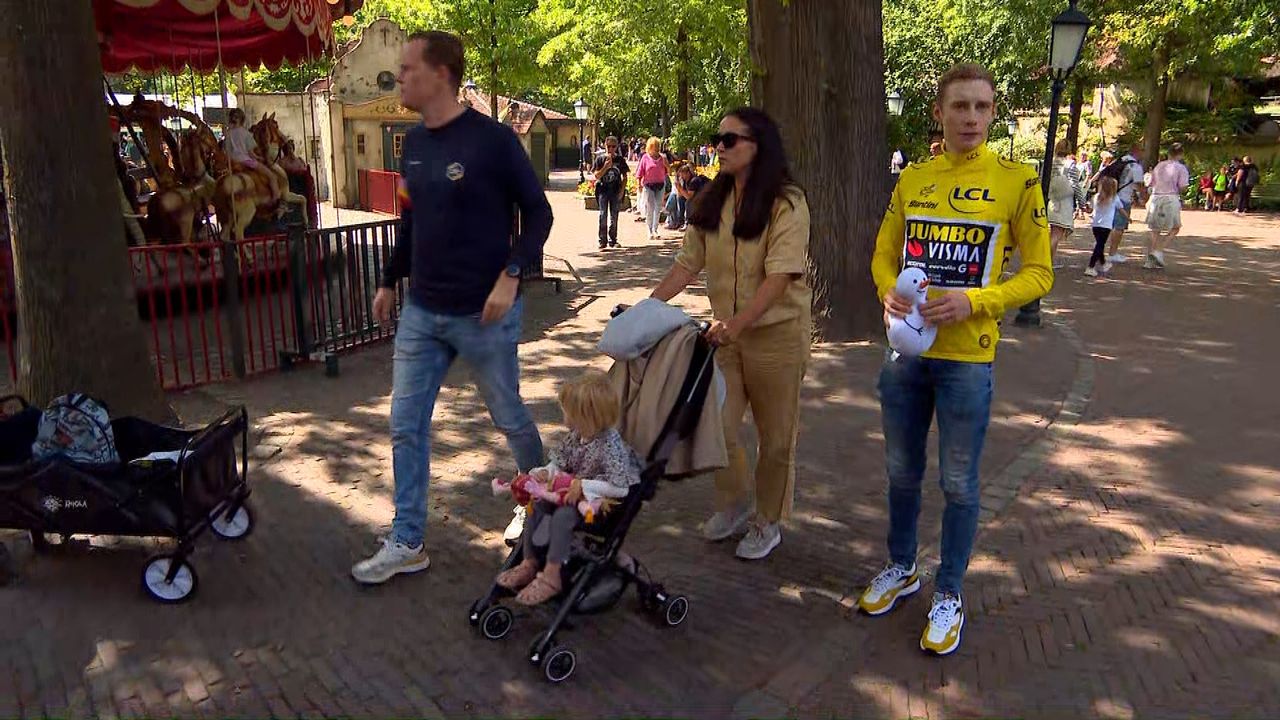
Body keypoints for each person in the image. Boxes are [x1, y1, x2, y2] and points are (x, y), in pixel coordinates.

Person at [858, 63, 1053, 656]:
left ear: (993, 115)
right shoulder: (913, 179)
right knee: (900, 473)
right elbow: (882, 254)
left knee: (959, 482)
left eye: (982, 108)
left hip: (969, 359)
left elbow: (1040, 274)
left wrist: (977, 300)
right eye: (960, 107)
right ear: (939, 113)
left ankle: (949, 593)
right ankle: (902, 567)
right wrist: (887, 288)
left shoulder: (1018, 182)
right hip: (906, 352)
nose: (971, 118)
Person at [352, 30, 552, 585]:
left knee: (508, 416)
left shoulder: (493, 142)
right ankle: (408, 539)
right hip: (422, 313)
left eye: (408, 69)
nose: (400, 79)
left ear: (441, 74)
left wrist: (512, 275)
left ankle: (540, 502)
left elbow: (539, 215)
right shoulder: (413, 145)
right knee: (404, 426)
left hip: (482, 314)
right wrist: (391, 280)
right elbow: (412, 218)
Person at [650, 107, 812, 561]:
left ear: (758, 146)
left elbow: (780, 276)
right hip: (726, 337)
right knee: (717, 427)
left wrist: (738, 324)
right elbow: (686, 263)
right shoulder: (712, 201)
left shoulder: (787, 203)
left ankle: (768, 520)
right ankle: (737, 502)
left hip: (776, 337)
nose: (718, 147)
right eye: (716, 139)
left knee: (776, 439)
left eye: (729, 140)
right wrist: (646, 309)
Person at [494, 370, 642, 605]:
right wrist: (547, 471)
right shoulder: (576, 436)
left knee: (563, 516)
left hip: (599, 506)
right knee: (537, 504)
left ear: (586, 416)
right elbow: (560, 461)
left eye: (568, 411)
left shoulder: (610, 446)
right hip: (569, 495)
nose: (564, 415)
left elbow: (620, 488)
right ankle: (529, 562)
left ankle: (552, 577)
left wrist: (583, 484)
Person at [1144, 143, 1190, 269]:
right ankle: (1159, 250)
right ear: (1180, 154)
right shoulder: (1181, 168)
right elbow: (1183, 186)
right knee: (1175, 227)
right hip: (1170, 197)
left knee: (1155, 229)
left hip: (1155, 197)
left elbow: (1151, 183)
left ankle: (1150, 259)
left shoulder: (1159, 165)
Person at [224, 108, 283, 203]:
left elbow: (226, 151)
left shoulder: (228, 134)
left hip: (232, 162)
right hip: (246, 161)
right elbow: (251, 154)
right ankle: (277, 201)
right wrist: (260, 158)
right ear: (242, 120)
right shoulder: (246, 134)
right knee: (271, 175)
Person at [1104, 144, 1146, 264]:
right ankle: (1112, 253)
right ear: (1138, 151)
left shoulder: (1120, 161)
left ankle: (1104, 250)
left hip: (1111, 195)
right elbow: (1139, 185)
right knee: (1119, 227)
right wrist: (1144, 198)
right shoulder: (1135, 166)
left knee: (1110, 225)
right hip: (1123, 198)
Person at [591, 136, 630, 250]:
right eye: (609, 146)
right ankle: (602, 240)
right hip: (603, 190)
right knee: (603, 215)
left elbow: (625, 176)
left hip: (615, 190)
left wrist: (622, 191)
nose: (611, 149)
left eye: (613, 146)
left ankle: (613, 239)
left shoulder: (620, 160)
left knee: (614, 216)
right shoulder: (600, 159)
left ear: (616, 147)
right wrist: (606, 166)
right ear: (605, 146)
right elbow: (596, 175)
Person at [1047, 139, 1077, 267]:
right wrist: (1082, 202)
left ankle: (1050, 260)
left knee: (1053, 232)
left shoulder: (1051, 163)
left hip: (1052, 199)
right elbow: (1075, 185)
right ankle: (1046, 262)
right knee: (1056, 235)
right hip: (1064, 201)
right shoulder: (1070, 164)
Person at [635, 137, 671, 241]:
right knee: (649, 208)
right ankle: (649, 229)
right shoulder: (645, 158)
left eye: (658, 147)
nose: (656, 149)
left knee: (658, 208)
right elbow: (640, 172)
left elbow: (668, 171)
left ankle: (655, 229)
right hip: (648, 185)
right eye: (655, 147)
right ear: (650, 147)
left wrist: (666, 164)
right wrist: (639, 184)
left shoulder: (662, 157)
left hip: (660, 185)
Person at [1085, 176, 1120, 277]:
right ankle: (1090, 267)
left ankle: (1103, 263)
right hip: (1106, 225)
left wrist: (1086, 209)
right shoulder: (1114, 198)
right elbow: (1121, 208)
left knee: (1099, 244)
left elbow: (1090, 209)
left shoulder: (1096, 197)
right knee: (1100, 245)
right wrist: (1127, 217)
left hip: (1096, 224)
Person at [664, 163, 709, 230]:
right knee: (678, 198)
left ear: (688, 173)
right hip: (694, 198)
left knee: (688, 203)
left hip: (702, 199)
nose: (681, 176)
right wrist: (679, 188)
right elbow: (681, 195)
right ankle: (678, 221)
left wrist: (680, 189)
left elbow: (689, 197)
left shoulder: (693, 181)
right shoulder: (685, 181)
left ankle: (687, 223)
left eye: (683, 174)